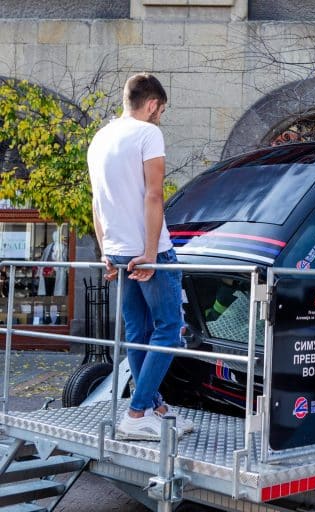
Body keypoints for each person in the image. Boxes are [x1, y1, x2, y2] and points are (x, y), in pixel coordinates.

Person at [88, 73, 192, 441]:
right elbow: (154, 195)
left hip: (116, 249)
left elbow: (97, 202)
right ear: (151, 104)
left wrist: (105, 251)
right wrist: (151, 252)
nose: (159, 117)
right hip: (148, 250)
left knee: (137, 331)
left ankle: (154, 407)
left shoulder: (100, 138)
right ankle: (136, 412)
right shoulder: (148, 133)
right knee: (169, 330)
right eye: (160, 110)